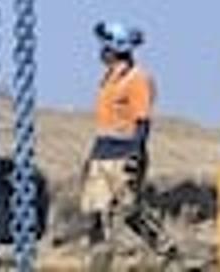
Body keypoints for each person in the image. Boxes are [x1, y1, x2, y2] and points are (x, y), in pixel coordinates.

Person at [79, 20, 176, 259]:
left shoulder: (137, 79)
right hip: (102, 154)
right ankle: (99, 260)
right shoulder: (108, 79)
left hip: (124, 155)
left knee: (130, 211)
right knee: (95, 212)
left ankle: (167, 251)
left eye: (105, 47)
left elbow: (142, 120)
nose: (101, 52)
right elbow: (105, 123)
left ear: (115, 49)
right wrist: (92, 158)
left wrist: (135, 154)